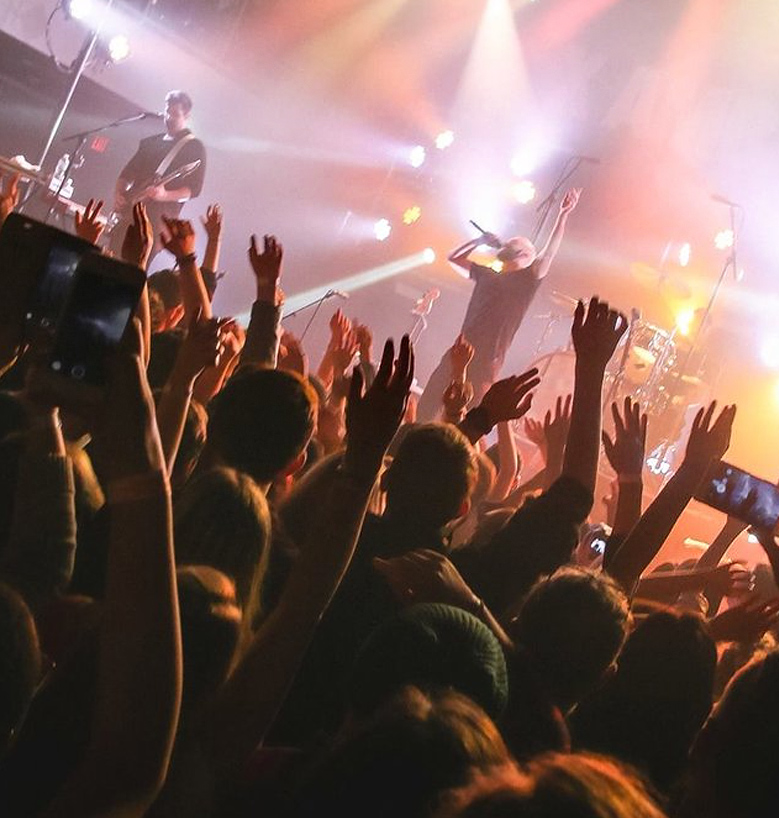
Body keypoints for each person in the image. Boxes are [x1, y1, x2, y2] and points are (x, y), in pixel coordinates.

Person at [417, 188, 581, 420]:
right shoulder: (486, 274)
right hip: (457, 353)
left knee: (464, 420)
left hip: (485, 363)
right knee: (427, 406)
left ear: (525, 256)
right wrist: (479, 240)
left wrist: (563, 215)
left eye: (517, 244)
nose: (509, 242)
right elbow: (453, 257)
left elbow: (549, 253)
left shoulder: (526, 281)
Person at [109, 90, 206, 258]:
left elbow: (194, 190)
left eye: (175, 114)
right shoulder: (151, 142)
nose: (169, 117)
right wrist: (119, 193)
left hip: (153, 224)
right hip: (128, 216)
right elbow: (127, 174)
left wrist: (164, 195)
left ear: (187, 116)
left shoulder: (193, 147)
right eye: (167, 112)